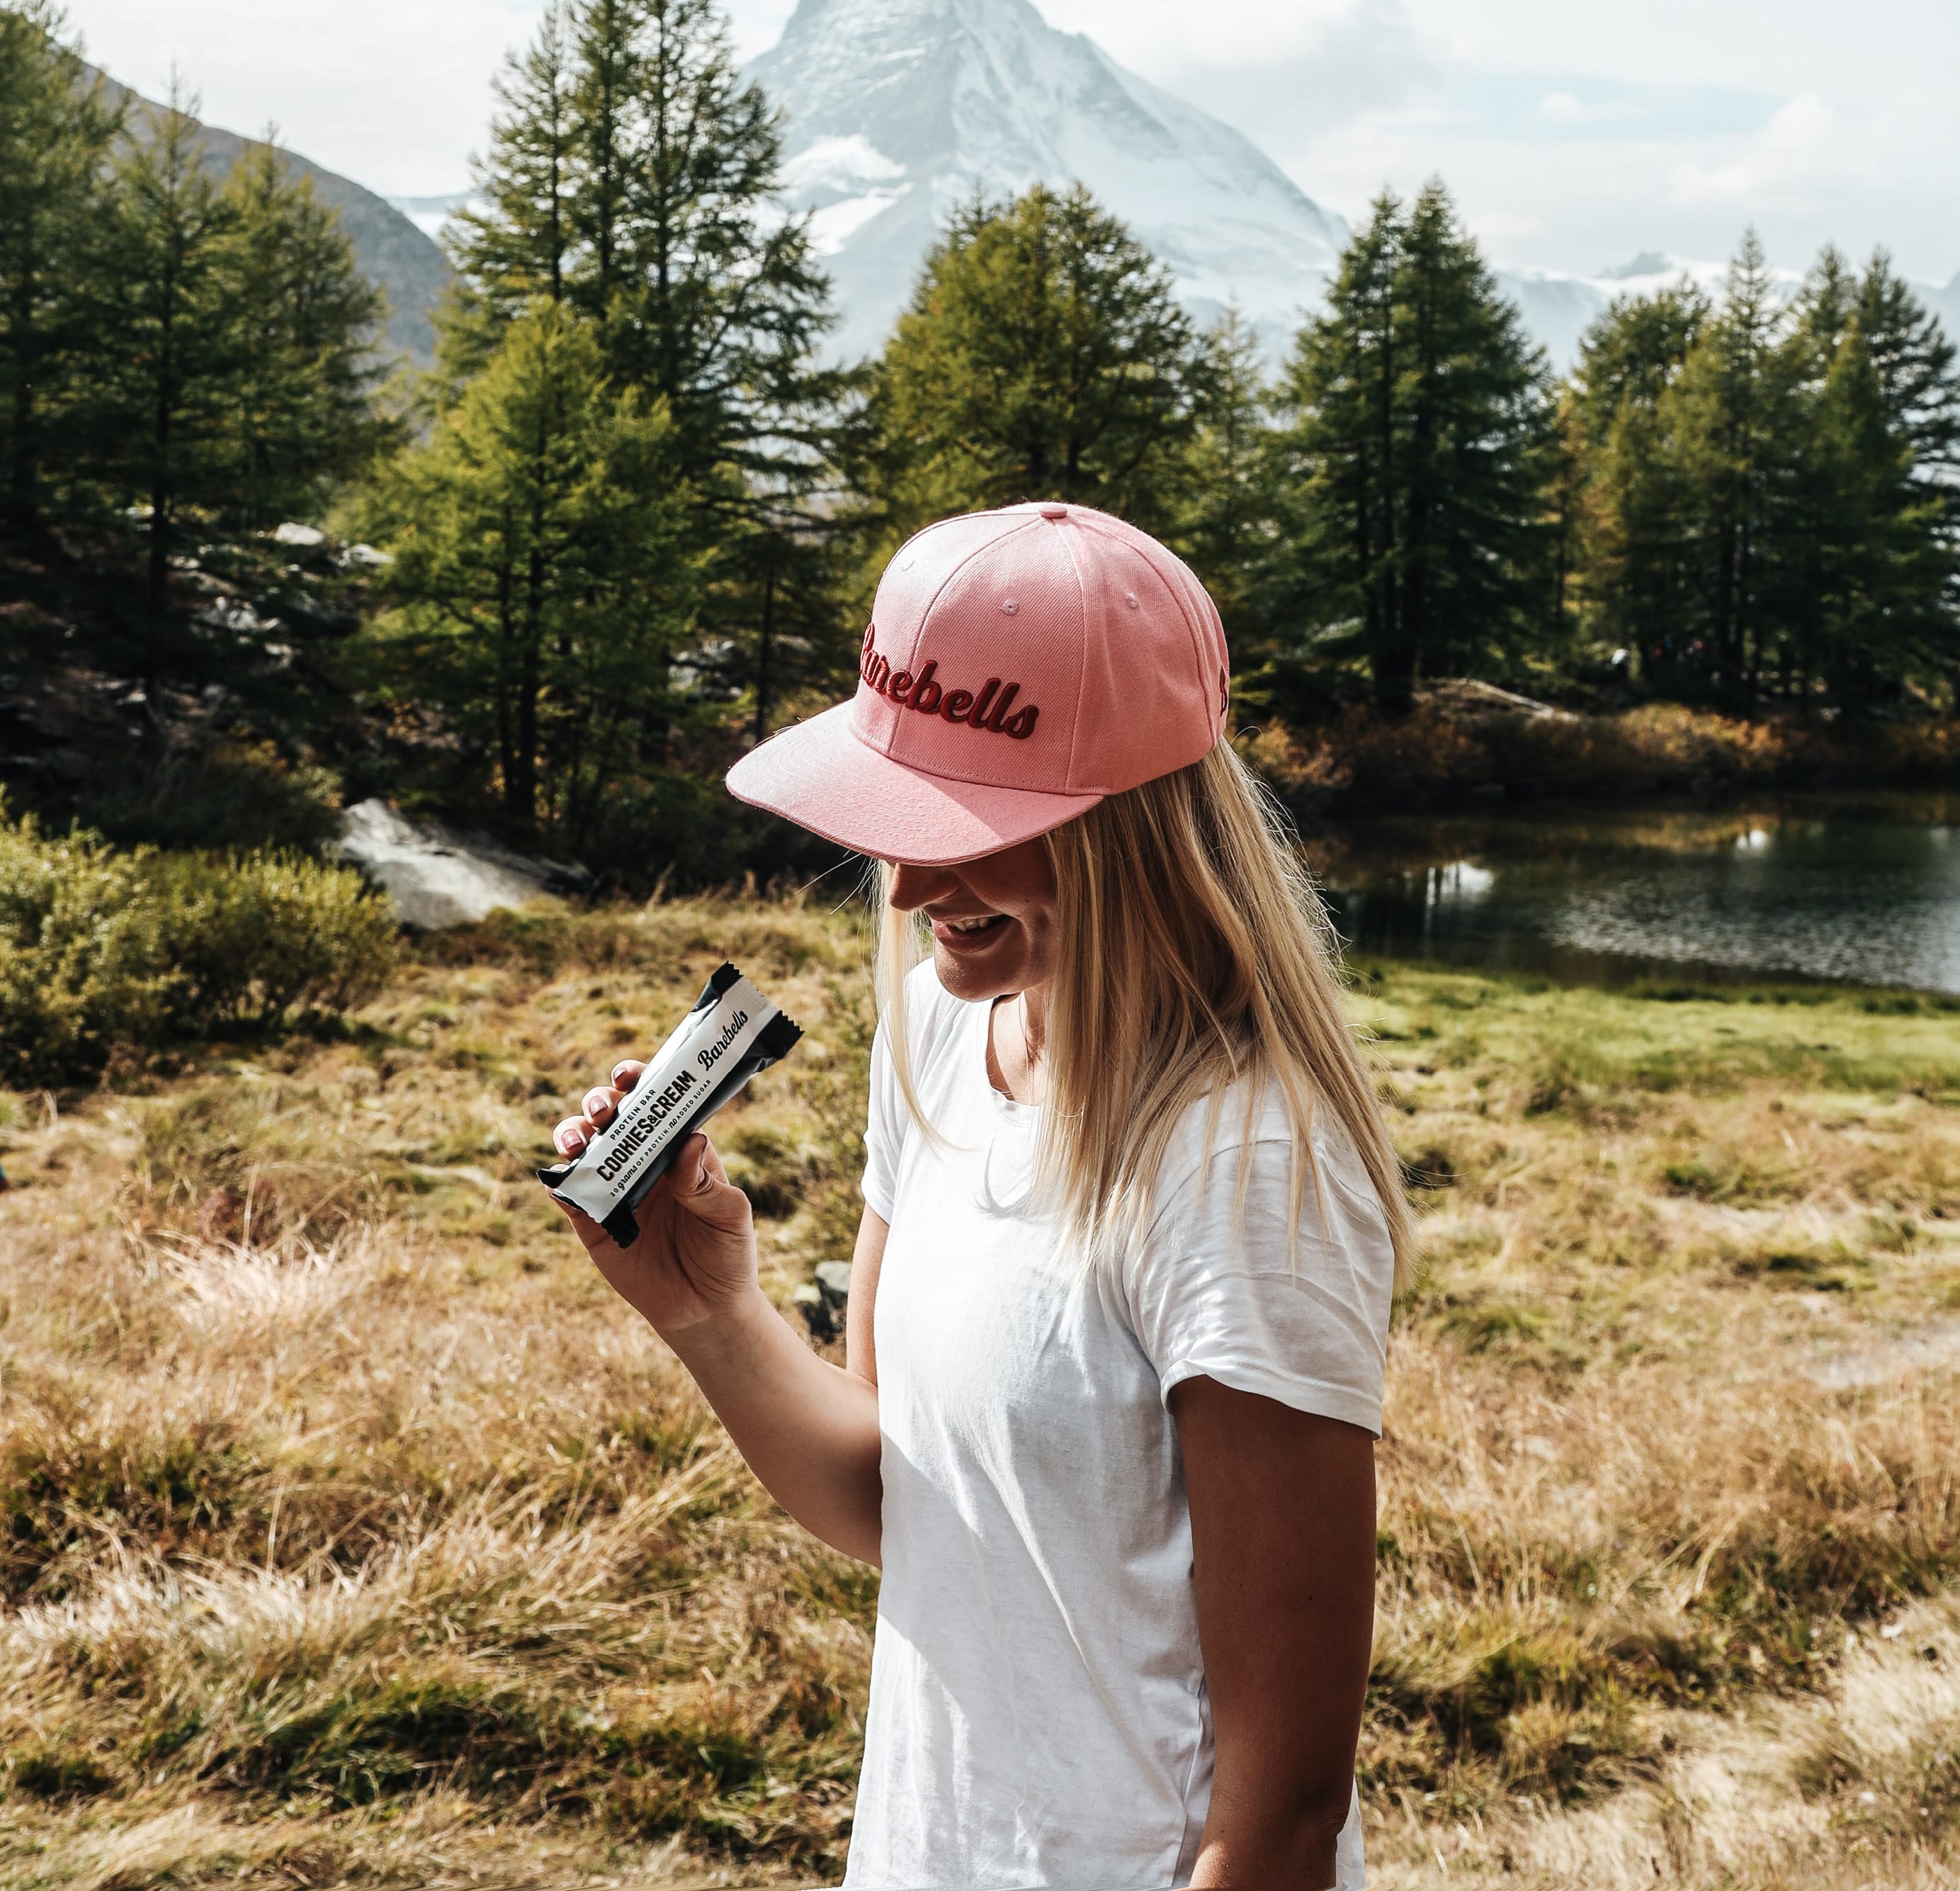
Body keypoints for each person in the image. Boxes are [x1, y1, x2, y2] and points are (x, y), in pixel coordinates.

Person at [550, 504, 1412, 1890]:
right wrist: (707, 1309)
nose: (905, 880)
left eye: (967, 822)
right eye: (895, 812)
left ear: (1132, 820)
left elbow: (1280, 1819)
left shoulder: (1242, 1170)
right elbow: (905, 1505)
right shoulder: (945, 1030)